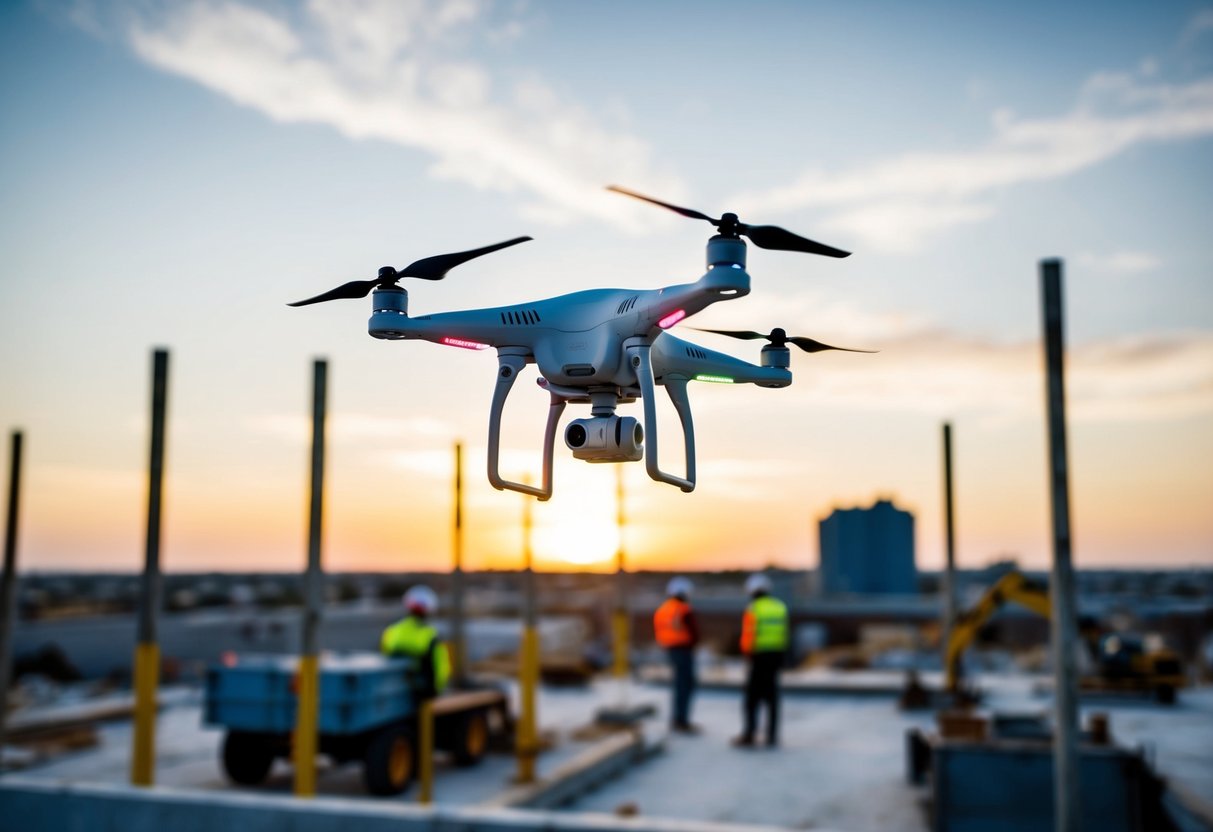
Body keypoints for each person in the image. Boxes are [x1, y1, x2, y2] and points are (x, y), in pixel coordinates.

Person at [733, 573, 788, 748]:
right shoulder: (780, 607)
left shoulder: (753, 609)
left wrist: (747, 656)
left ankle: (750, 734)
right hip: (776, 657)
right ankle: (772, 737)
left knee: (752, 698)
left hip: (757, 658)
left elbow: (749, 637)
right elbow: (785, 633)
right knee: (772, 698)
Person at [381, 584, 451, 699]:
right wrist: (436, 691)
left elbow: (386, 657)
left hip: (393, 693)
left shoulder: (392, 631)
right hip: (420, 695)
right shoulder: (430, 635)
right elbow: (440, 668)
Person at [653, 576, 700, 734]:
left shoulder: (663, 609)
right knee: (685, 686)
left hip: (671, 650)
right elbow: (693, 633)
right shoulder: (683, 609)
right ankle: (681, 721)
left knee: (679, 685)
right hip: (683, 650)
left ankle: (677, 719)